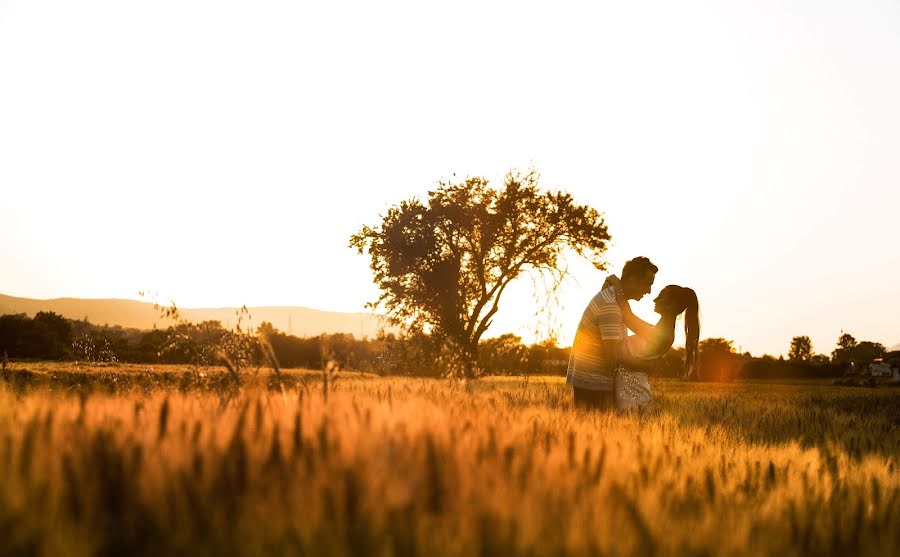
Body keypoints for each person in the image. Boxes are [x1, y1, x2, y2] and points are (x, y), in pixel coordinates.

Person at [565, 256, 658, 411]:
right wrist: (644, 366)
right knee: (596, 433)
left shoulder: (614, 299)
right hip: (594, 384)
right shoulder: (611, 306)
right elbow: (612, 358)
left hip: (592, 382)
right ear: (633, 279)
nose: (649, 291)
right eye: (647, 284)